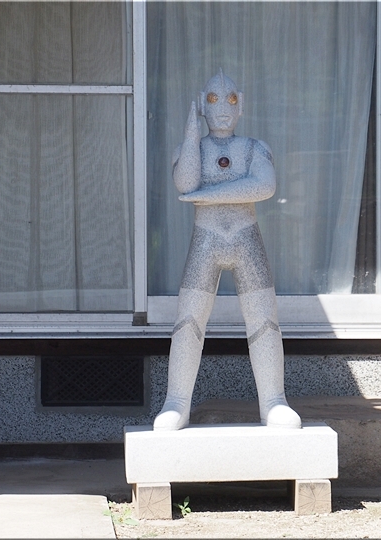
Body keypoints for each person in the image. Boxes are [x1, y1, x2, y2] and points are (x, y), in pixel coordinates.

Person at [153, 70, 302, 431]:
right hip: (205, 240)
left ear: (241, 104)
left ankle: (274, 400)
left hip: (246, 238)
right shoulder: (189, 150)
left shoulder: (254, 147)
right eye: (213, 99)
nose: (222, 107)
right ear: (201, 104)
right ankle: (176, 401)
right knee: (188, 319)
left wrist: (207, 196)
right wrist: (191, 136)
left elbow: (263, 186)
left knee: (264, 319)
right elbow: (185, 182)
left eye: (231, 99)